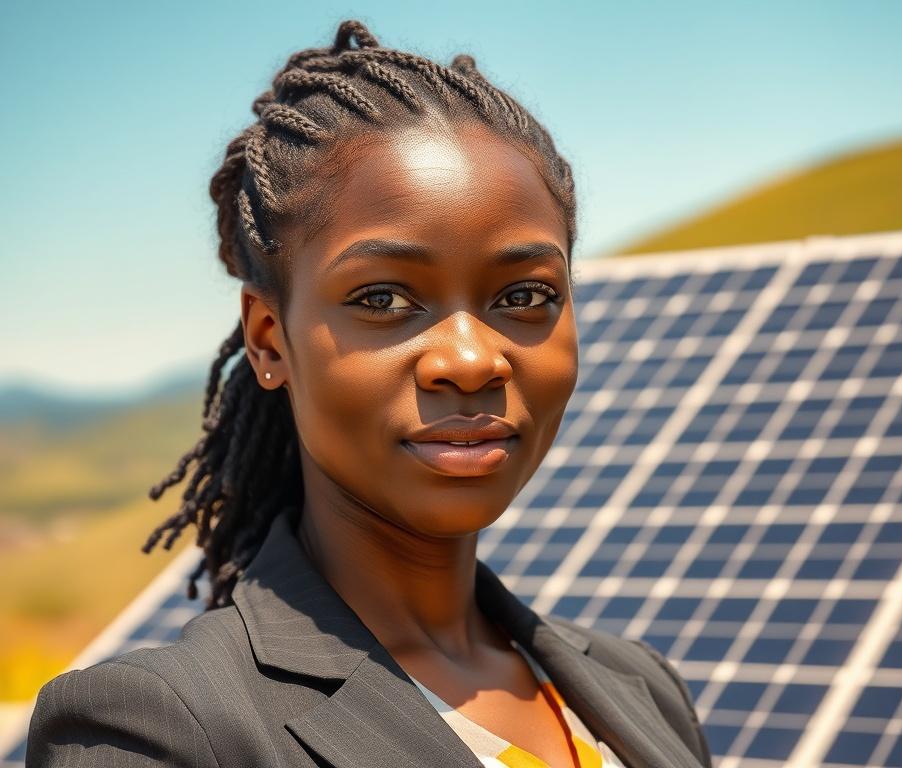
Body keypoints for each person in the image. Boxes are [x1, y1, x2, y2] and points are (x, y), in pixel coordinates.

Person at [25, 18, 712, 768]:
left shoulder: (642, 689)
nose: (471, 360)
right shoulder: (157, 733)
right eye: (383, 299)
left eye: (523, 295)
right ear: (268, 339)